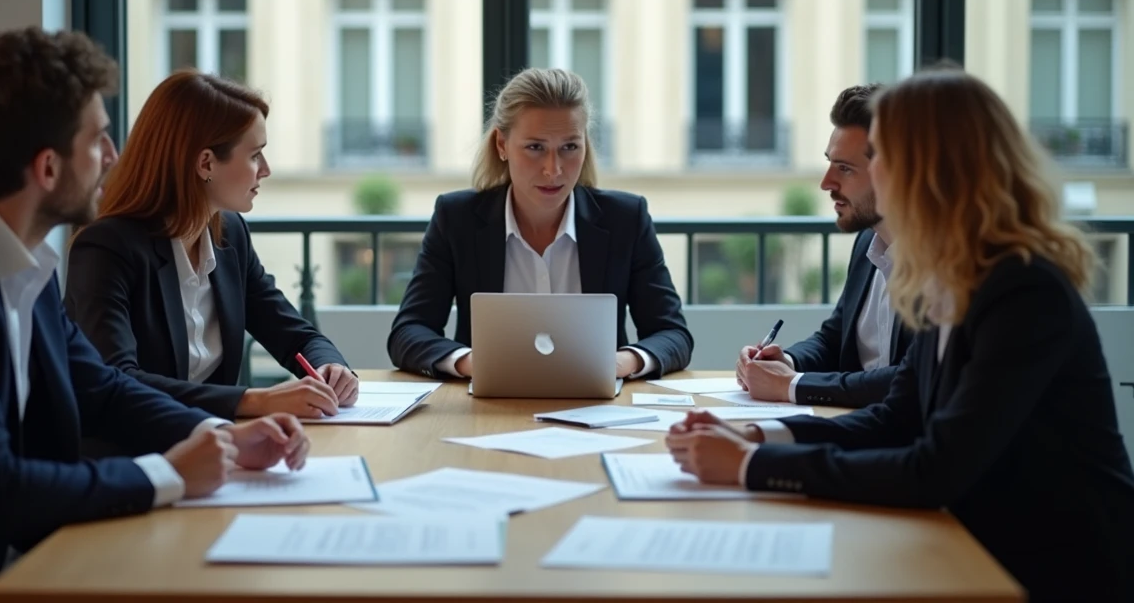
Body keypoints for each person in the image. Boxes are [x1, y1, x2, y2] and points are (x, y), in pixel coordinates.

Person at [667, 69, 1134, 601]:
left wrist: (753, 466)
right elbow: (897, 416)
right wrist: (758, 436)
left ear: (932, 170)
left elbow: (935, 469)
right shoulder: (953, 272)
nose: (870, 172)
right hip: (976, 543)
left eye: (882, 154)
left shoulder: (1022, 289)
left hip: (1053, 569)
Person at [0, 28, 310, 602]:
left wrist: (223, 437)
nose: (113, 156)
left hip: (31, 559)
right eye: (99, 139)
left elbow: (102, 387)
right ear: (49, 168)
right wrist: (170, 474)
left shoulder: (23, 260)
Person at [65, 71, 357, 422]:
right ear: (205, 163)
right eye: (255, 156)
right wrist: (254, 401)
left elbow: (293, 333)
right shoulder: (108, 248)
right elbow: (118, 379)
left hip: (219, 447)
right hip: (134, 456)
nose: (265, 170)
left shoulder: (230, 234)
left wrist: (331, 366)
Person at [388, 67, 692, 379]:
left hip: (598, 410)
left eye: (569, 147)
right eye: (536, 148)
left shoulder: (625, 219)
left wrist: (620, 364)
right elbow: (408, 333)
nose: (554, 169)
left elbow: (673, 335)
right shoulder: (457, 218)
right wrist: (472, 363)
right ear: (501, 145)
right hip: (488, 408)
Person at [736, 84, 917, 408]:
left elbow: (909, 379)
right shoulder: (868, 243)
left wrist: (792, 385)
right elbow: (834, 339)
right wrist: (787, 362)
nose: (826, 183)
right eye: (829, 163)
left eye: (845, 169)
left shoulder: (945, 263)